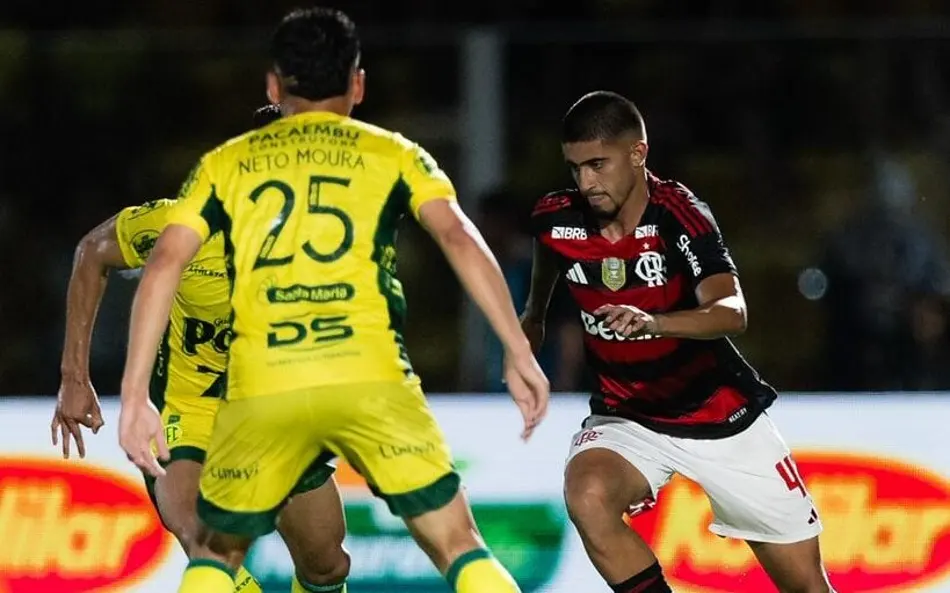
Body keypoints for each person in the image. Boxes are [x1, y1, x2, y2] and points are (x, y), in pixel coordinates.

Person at [117, 7, 549, 593]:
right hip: (370, 378)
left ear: (275, 84)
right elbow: (457, 236)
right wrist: (518, 349)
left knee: (217, 556)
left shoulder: (225, 166)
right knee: (460, 545)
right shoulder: (393, 153)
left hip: (266, 383)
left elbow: (163, 264)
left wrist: (137, 393)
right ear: (358, 84)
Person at [520, 90, 834, 593]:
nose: (586, 182)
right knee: (588, 495)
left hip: (721, 417)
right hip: (627, 418)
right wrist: (532, 319)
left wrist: (655, 322)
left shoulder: (679, 215)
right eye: (575, 167)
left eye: (598, 165)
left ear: (638, 154)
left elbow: (732, 313)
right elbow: (547, 261)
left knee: (807, 587)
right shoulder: (555, 217)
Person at [52, 105, 351, 593]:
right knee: (209, 552)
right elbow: (93, 253)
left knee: (326, 567)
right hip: (187, 414)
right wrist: (73, 377)